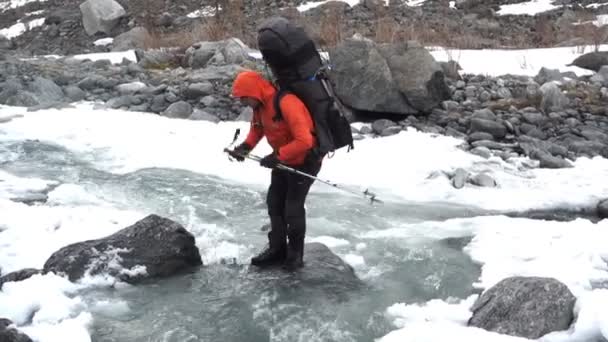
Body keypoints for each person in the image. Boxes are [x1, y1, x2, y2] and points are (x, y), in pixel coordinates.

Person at [228, 70, 322, 271]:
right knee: (274, 203)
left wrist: (277, 156)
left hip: (306, 160)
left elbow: (305, 141)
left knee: (292, 208)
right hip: (284, 160)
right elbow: (257, 130)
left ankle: (295, 256)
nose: (242, 102)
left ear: (254, 92)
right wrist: (244, 149)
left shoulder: (287, 103)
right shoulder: (260, 107)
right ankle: (277, 249)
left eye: (244, 98)